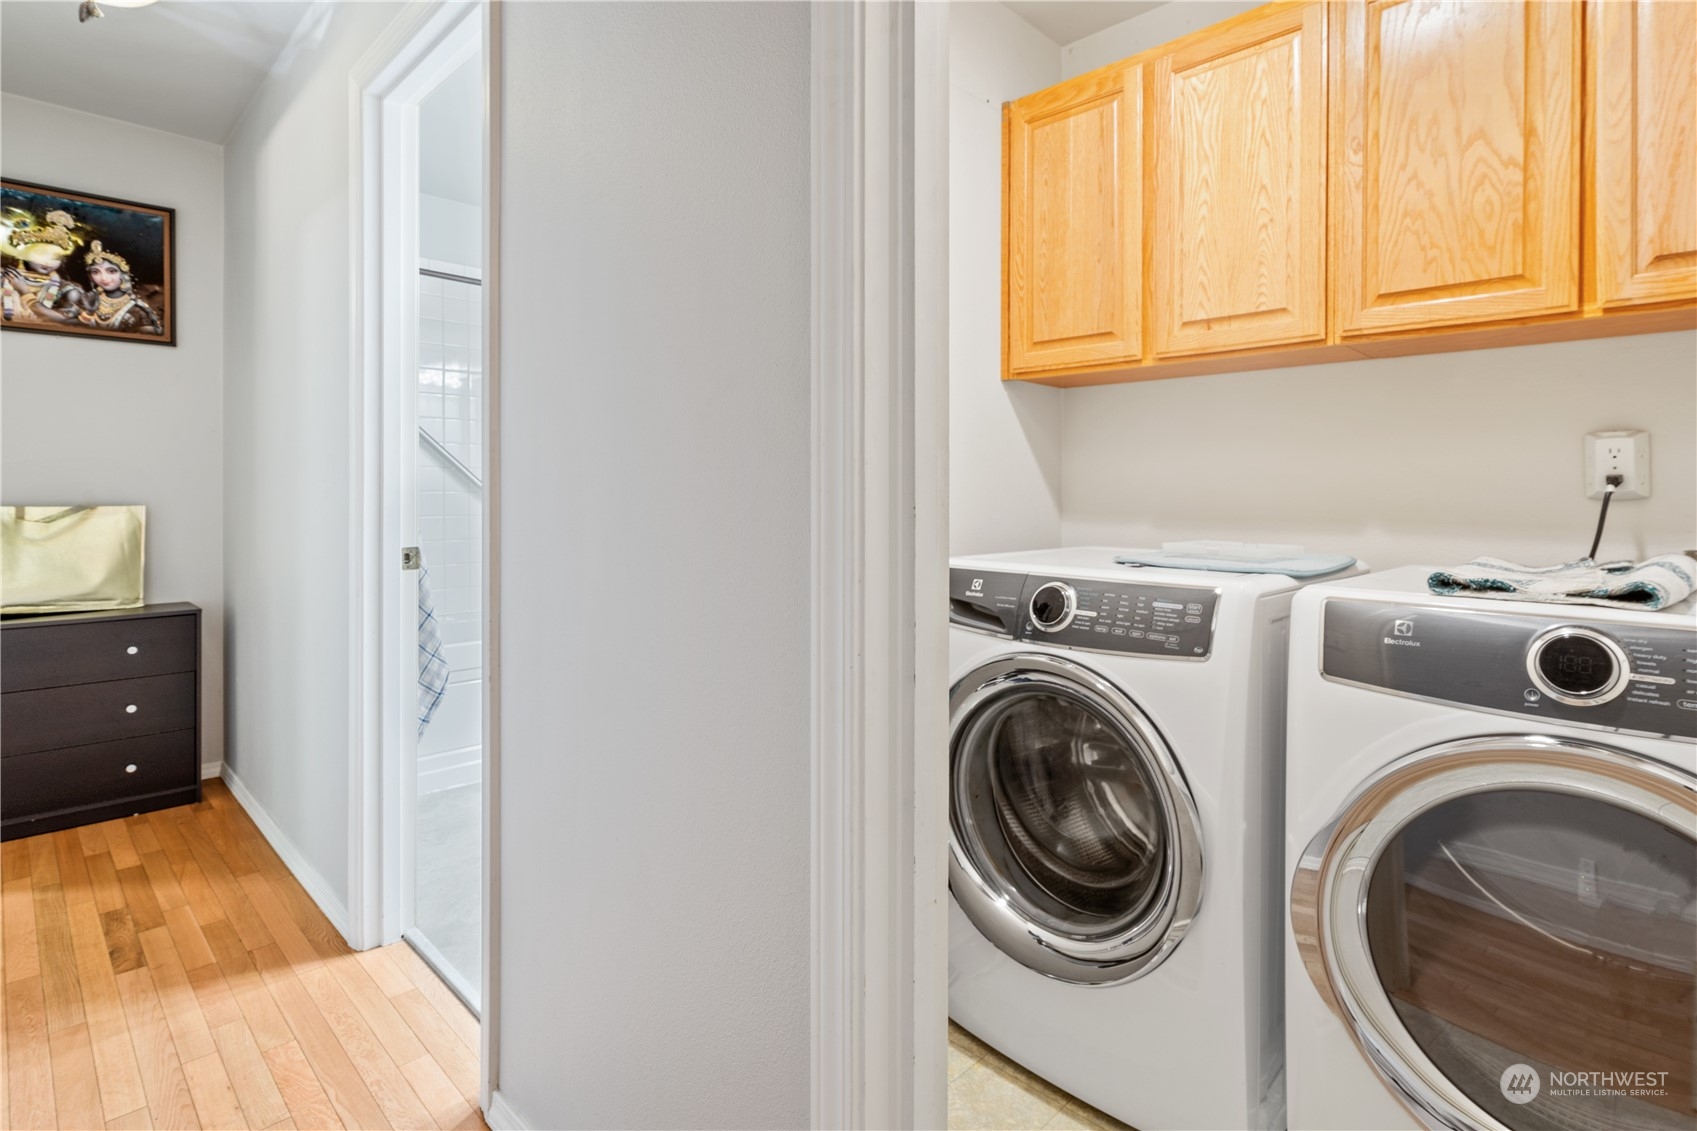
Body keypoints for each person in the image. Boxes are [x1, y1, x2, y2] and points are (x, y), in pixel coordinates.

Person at [2, 209, 87, 324]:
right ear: (24, 253)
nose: (48, 262)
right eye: (41, 254)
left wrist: (24, 292)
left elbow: (65, 321)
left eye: (56, 258)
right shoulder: (4, 278)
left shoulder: (68, 290)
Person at [77, 240, 163, 335]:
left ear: (124, 274)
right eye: (95, 272)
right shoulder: (89, 301)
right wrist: (89, 312)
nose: (103, 278)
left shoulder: (138, 310)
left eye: (111, 271)